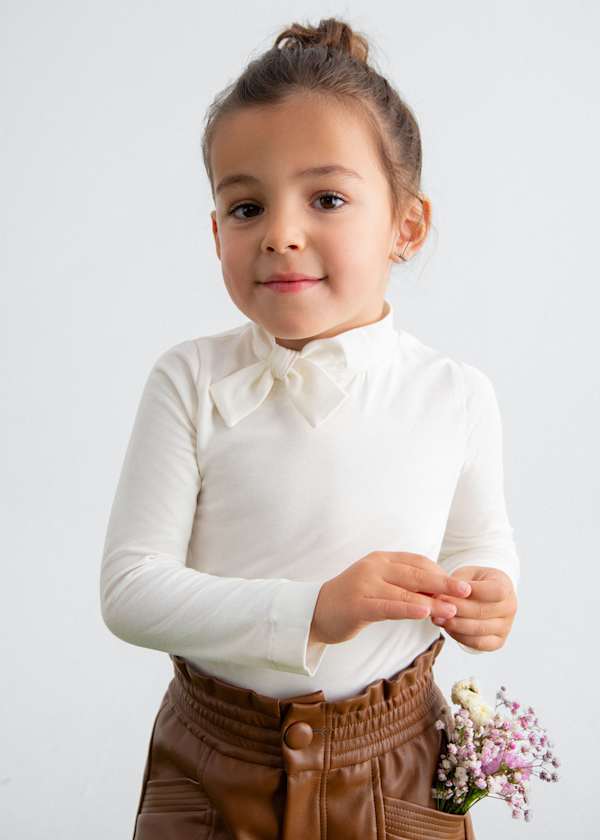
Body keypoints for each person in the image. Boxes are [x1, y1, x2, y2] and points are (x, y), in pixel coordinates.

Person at [100, 16, 519, 840]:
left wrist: (492, 594)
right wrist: (313, 610)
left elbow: (479, 540)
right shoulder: (189, 380)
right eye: (247, 205)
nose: (281, 233)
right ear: (217, 232)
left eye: (326, 198)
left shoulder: (455, 394)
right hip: (218, 761)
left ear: (407, 226)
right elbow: (130, 590)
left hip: (398, 763)